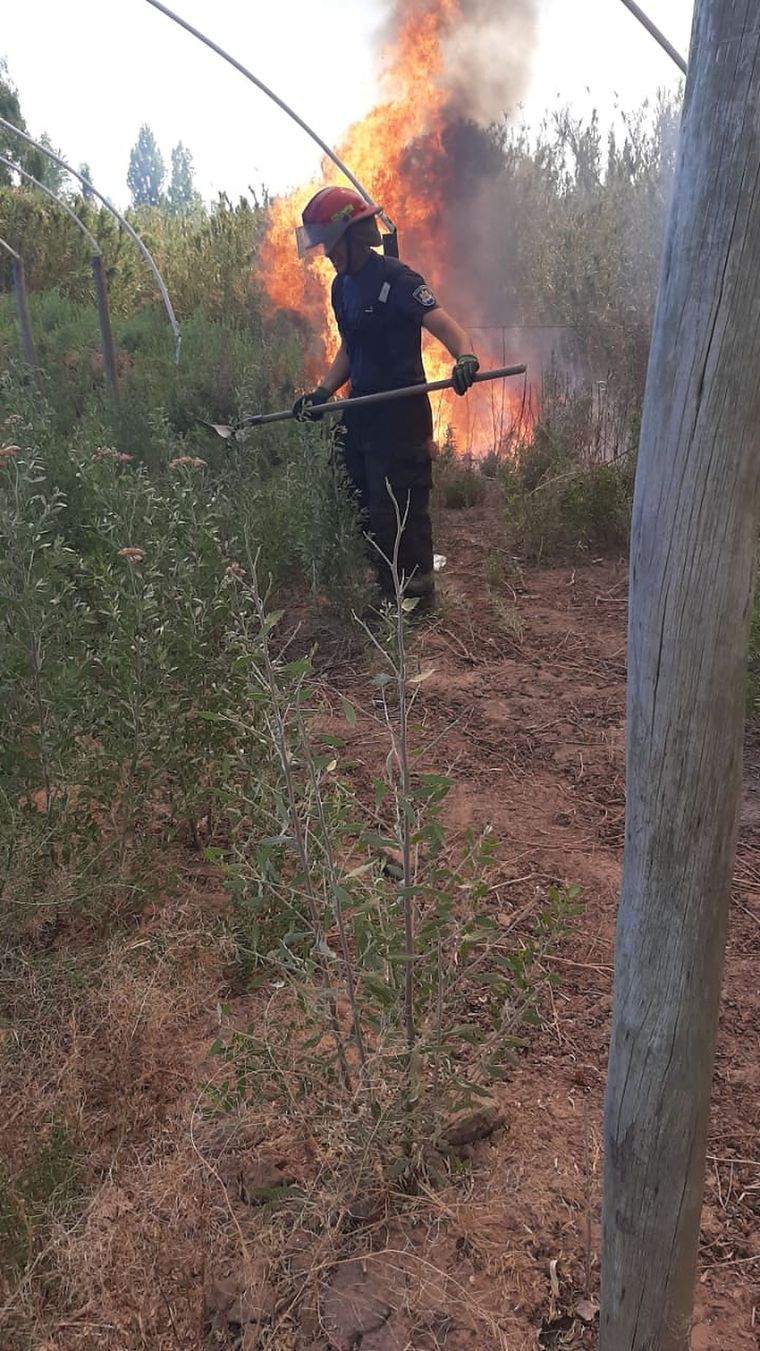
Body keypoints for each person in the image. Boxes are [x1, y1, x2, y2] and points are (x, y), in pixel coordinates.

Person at [292, 186, 479, 609]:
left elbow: (445, 326)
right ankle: (385, 590)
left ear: (354, 236)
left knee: (400, 508)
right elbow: (350, 346)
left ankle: (417, 601)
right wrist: (322, 392)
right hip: (361, 414)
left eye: (330, 242)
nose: (326, 253)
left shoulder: (398, 280)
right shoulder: (341, 288)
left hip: (401, 417)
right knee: (359, 501)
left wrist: (465, 356)